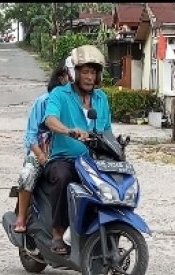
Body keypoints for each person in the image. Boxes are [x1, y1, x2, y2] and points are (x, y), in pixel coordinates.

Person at [41, 45, 113, 255]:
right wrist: (69, 130)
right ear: (75, 73)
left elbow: (107, 130)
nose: (90, 77)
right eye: (85, 71)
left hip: (92, 161)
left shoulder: (102, 99)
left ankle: (104, 231)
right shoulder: (59, 94)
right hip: (64, 159)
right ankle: (57, 233)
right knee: (63, 177)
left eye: (93, 72)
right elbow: (50, 119)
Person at [13, 64, 71, 233]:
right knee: (28, 174)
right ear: (61, 78)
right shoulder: (42, 102)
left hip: (65, 151)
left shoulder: (75, 103)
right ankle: (22, 216)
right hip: (43, 150)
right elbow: (31, 135)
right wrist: (39, 154)